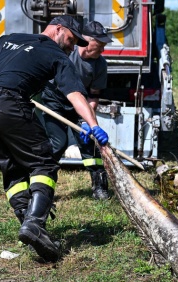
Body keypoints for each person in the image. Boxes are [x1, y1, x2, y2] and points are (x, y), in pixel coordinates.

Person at [0, 15, 109, 262]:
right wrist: (93, 125)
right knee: (44, 163)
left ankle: (31, 225)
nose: (73, 47)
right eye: (72, 39)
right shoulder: (57, 55)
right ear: (58, 29)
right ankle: (34, 224)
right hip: (8, 106)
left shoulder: (8, 39)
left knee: (12, 169)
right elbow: (76, 95)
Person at [41, 21, 113, 200]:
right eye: (100, 45)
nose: (103, 50)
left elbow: (93, 96)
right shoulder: (67, 53)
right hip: (54, 102)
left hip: (79, 107)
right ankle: (42, 188)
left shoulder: (100, 65)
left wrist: (90, 123)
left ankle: (100, 187)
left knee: (90, 146)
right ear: (88, 41)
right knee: (58, 143)